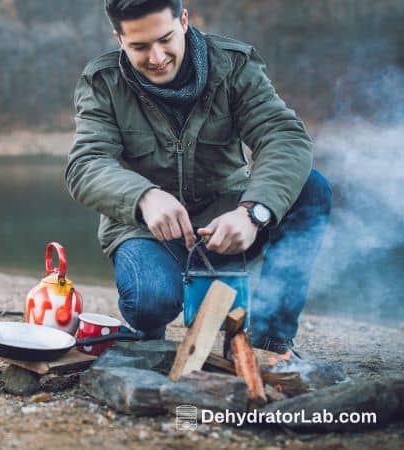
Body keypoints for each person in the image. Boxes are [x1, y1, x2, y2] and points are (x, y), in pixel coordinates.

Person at [65, 0, 332, 355]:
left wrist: (253, 212)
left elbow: (285, 137)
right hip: (146, 228)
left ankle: (270, 339)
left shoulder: (234, 65)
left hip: (229, 219)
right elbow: (86, 163)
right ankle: (150, 335)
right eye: (140, 47)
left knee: (313, 190)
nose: (157, 57)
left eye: (165, 39)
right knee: (150, 302)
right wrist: (143, 197)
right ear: (118, 38)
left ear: (184, 20)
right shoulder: (102, 82)